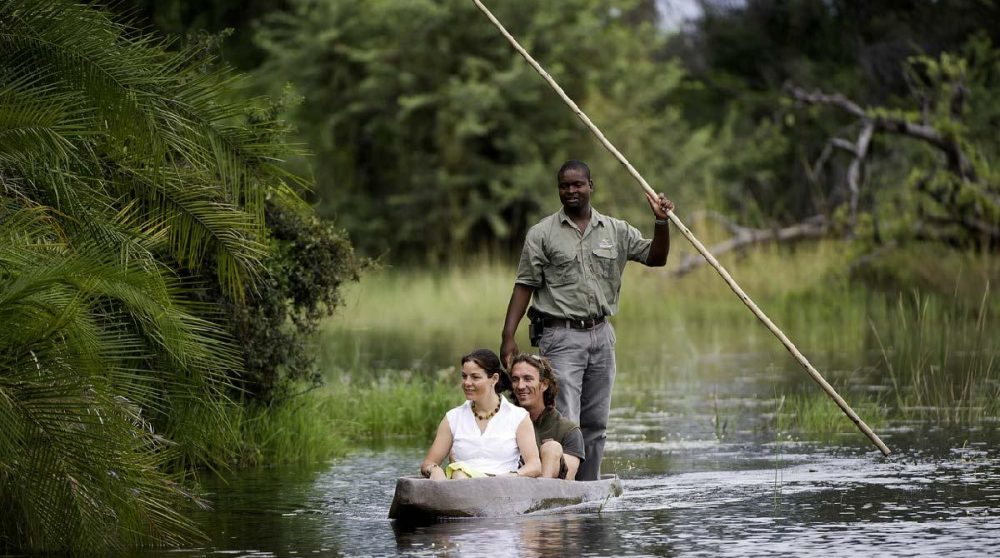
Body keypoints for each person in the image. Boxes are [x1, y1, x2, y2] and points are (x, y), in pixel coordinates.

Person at [501, 160, 673, 481]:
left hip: (602, 334)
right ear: (559, 190)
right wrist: (507, 336)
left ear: (591, 186)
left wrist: (661, 222)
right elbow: (524, 286)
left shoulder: (615, 230)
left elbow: (657, 258)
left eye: (578, 184)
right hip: (560, 336)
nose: (571, 191)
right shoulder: (542, 234)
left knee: (596, 422)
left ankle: (588, 488)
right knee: (567, 420)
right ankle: (560, 488)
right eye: (565, 186)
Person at [420, 348, 541, 480]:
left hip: (503, 488)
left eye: (475, 377)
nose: (467, 383)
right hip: (459, 484)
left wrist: (510, 476)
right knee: (459, 474)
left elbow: (534, 466)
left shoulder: (518, 416)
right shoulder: (453, 417)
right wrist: (434, 469)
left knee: (459, 476)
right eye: (464, 376)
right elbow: (429, 463)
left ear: (494, 379)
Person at [509, 353, 584, 480]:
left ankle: (541, 494)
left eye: (528, 379)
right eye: (515, 379)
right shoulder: (503, 422)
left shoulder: (568, 431)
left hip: (551, 492)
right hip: (508, 487)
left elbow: (568, 482)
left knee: (551, 447)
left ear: (544, 384)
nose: (520, 386)